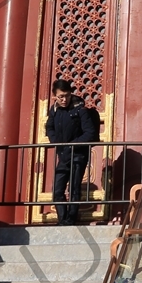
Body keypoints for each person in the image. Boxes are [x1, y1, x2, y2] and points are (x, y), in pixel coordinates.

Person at [45, 79, 99, 224]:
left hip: (78, 155)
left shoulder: (79, 109)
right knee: (57, 189)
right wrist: (56, 142)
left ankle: (71, 218)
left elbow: (90, 133)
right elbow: (49, 127)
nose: (64, 99)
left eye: (67, 96)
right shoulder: (54, 110)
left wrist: (72, 145)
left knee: (74, 188)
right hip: (63, 155)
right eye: (60, 96)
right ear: (55, 96)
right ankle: (62, 219)